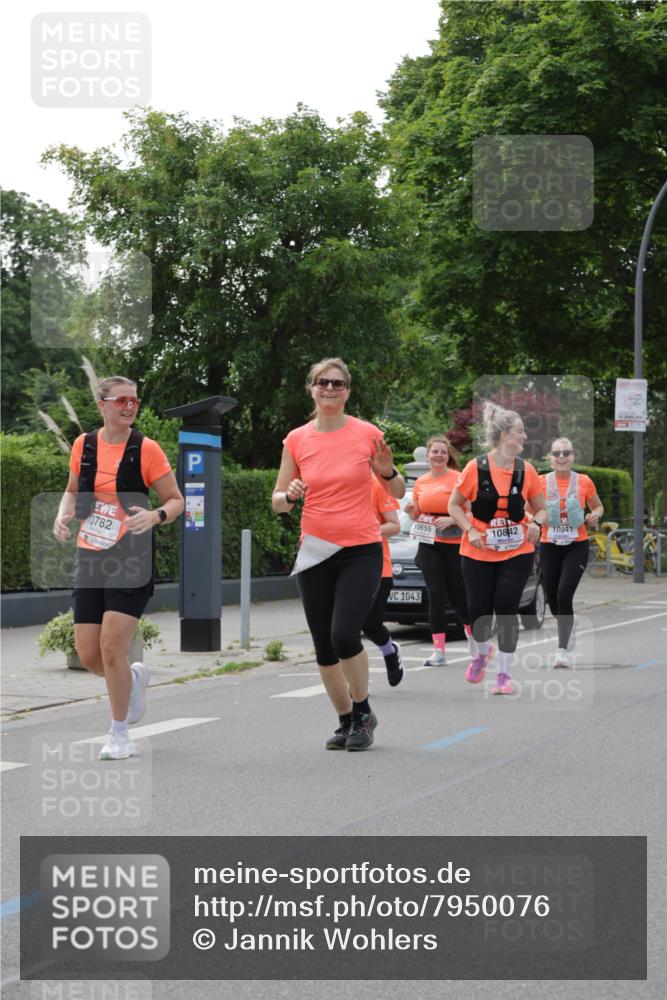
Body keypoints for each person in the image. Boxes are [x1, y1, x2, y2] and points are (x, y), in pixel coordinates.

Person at [272, 358, 405, 751]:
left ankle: (363, 712)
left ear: (347, 391)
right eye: (323, 382)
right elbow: (278, 502)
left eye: (338, 383)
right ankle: (346, 720)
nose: (330, 388)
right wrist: (289, 494)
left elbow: (397, 492)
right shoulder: (297, 439)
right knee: (324, 647)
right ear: (311, 388)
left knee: (345, 634)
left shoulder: (367, 434)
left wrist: (387, 471)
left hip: (360, 549)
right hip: (315, 552)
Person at [52, 376, 184, 760]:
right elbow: (72, 490)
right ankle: (135, 677)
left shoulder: (146, 449)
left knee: (111, 648)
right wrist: (62, 514)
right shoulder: (84, 445)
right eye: (122, 400)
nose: (129, 407)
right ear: (102, 404)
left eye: (134, 401)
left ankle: (120, 734)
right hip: (91, 555)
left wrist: (156, 516)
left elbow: (175, 500)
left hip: (131, 557)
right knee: (90, 655)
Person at [448, 402, 546, 695]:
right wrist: (470, 529)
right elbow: (454, 505)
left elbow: (542, 509)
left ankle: (504, 676)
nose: (525, 436)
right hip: (478, 550)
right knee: (478, 611)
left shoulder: (526, 470)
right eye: (520, 431)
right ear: (504, 436)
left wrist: (536, 523)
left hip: (516, 549)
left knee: (505, 608)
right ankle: (482, 653)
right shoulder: (475, 468)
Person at [405, 435, 482, 666]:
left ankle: (472, 635)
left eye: (443, 452)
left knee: (458, 596)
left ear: (448, 456)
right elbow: (417, 514)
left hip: (455, 544)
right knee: (435, 594)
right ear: (428, 455)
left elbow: (473, 512)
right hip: (429, 543)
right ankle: (439, 651)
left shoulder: (458, 478)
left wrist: (451, 519)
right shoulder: (421, 482)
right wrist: (410, 511)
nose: (439, 455)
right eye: (435, 451)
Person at [538, 437, 603, 668]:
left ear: (573, 456)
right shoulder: (540, 482)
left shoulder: (584, 481)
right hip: (549, 544)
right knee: (553, 600)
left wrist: (595, 515)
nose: (561, 457)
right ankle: (568, 624)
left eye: (566, 453)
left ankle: (562, 651)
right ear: (550, 458)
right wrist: (534, 520)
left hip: (577, 544)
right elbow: (527, 510)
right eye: (557, 453)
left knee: (564, 594)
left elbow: (598, 506)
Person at [361, 474, 403, 686]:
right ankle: (358, 684)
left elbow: (394, 525)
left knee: (371, 625)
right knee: (346, 631)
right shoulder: (333, 485)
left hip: (378, 567)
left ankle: (390, 651)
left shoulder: (376, 485)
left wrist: (363, 532)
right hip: (340, 568)